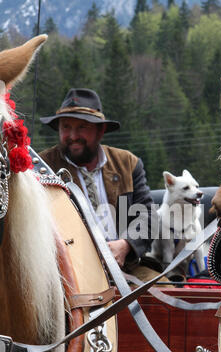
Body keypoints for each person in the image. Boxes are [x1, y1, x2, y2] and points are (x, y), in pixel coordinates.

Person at [39, 88, 158, 279]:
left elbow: (147, 217)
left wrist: (125, 245)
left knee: (169, 298)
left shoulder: (128, 163)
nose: (72, 135)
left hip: (126, 266)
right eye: (66, 127)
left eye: (81, 127)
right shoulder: (43, 166)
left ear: (100, 131)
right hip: (66, 272)